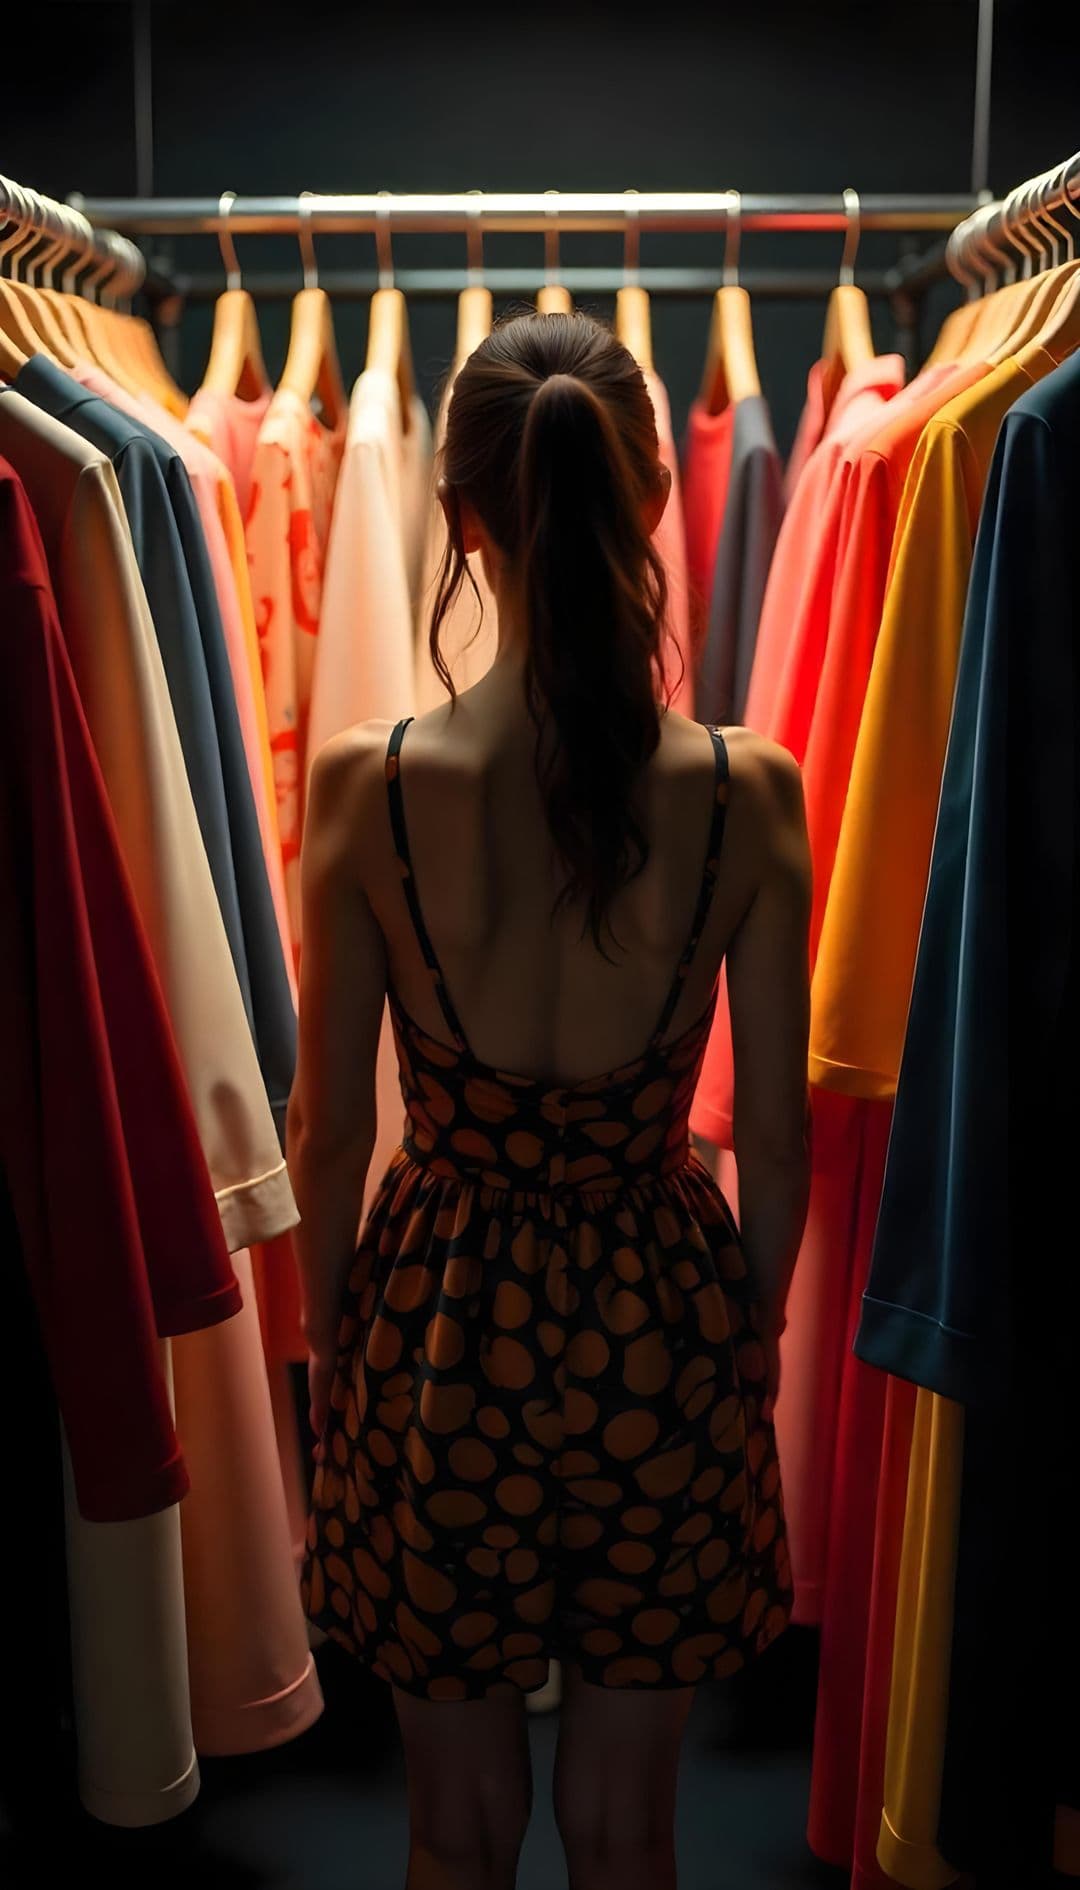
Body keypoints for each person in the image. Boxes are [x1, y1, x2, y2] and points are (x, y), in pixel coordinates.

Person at [290, 310, 812, 1890]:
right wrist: (744, 1345)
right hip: (663, 1322)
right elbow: (775, 1142)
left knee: (453, 1831)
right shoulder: (747, 790)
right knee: (630, 1830)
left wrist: (335, 1398)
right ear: (654, 498)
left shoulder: (367, 788)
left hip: (439, 1337)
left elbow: (325, 1138)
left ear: (461, 516)